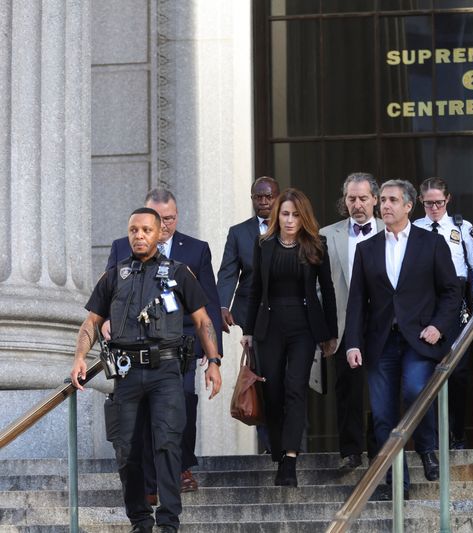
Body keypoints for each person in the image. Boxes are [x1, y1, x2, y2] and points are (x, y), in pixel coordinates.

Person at [70, 207, 222, 532]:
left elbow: (202, 320)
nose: (139, 236)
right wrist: (80, 357)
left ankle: (168, 522)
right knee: (126, 449)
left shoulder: (179, 272)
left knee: (167, 444)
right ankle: (140, 520)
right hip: (125, 374)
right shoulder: (114, 274)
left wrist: (214, 361)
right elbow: (92, 322)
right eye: (134, 230)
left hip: (165, 371)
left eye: (146, 230)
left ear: (159, 234)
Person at [345, 179, 461, 501]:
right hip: (380, 342)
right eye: (382, 200)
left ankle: (426, 448)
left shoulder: (431, 243)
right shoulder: (366, 249)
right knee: (382, 415)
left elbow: (452, 291)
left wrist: (438, 326)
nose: (385, 206)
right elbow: (357, 302)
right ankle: (398, 484)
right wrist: (353, 343)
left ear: (409, 206)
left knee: (414, 391)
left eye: (393, 200)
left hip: (419, 339)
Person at [106, 188, 223, 497]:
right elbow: (108, 294)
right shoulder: (121, 248)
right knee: (140, 413)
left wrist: (214, 357)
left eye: (168, 218)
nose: (163, 225)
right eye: (156, 218)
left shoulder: (196, 250)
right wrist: (106, 320)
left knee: (183, 400)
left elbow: (208, 305)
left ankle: (181, 466)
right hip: (133, 347)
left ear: (176, 217)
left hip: (181, 343)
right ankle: (147, 479)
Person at [241, 188, 338, 487]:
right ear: (277, 216)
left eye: (296, 214)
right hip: (269, 327)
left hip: (303, 328)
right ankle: (279, 447)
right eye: (285, 213)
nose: (290, 219)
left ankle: (290, 461)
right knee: (273, 392)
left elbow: (328, 290)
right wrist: (247, 329)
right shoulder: (264, 244)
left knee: (295, 388)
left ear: (303, 216)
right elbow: (255, 288)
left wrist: (330, 333)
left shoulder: (316, 244)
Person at [413, 177, 473, 449]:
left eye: (439, 202)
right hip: (426, 301)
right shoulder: (414, 229)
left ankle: (458, 433)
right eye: (428, 203)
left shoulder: (461, 227)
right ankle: (431, 438)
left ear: (448, 200)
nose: (434, 208)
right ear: (420, 202)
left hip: (456, 301)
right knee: (426, 372)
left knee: (458, 372)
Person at [319, 172, 384, 470]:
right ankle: (351, 451)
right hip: (344, 322)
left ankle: (380, 448)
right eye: (351, 199)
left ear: (375, 199)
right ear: (344, 201)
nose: (357, 204)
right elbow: (320, 286)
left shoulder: (392, 230)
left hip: (384, 323)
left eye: (363, 198)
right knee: (348, 388)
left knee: (383, 387)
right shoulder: (326, 234)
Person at [216, 176, 280, 454]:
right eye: (258, 197)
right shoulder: (239, 232)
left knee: (290, 380)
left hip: (289, 314)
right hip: (253, 317)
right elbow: (228, 272)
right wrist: (221, 305)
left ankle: (292, 443)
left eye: (268, 197)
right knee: (260, 380)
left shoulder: (291, 226)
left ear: (277, 198)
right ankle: (270, 445)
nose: (263, 202)